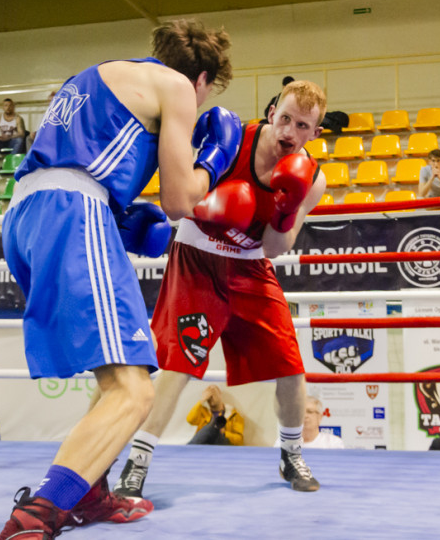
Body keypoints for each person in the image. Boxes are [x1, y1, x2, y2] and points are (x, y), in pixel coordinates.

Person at [0, 18, 238, 537]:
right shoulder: (176, 87)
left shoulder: (95, 76)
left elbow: (75, 165)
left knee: (122, 368)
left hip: (25, 217)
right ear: (202, 79)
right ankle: (39, 514)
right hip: (70, 213)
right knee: (134, 391)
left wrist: (124, 220)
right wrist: (214, 162)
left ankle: (90, 490)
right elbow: (179, 200)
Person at [114, 79, 328, 501]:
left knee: (289, 366)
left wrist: (285, 211)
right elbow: (178, 194)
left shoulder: (313, 179)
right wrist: (210, 208)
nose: (289, 132)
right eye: (284, 119)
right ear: (272, 114)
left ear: (315, 133)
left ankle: (291, 453)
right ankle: (136, 463)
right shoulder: (231, 142)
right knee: (178, 362)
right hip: (197, 257)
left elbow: (275, 247)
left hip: (252, 267)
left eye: (302, 126)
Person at [273, 395, 345, 449]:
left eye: (310, 412)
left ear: (319, 417)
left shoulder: (333, 443)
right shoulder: (283, 443)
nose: (305, 416)